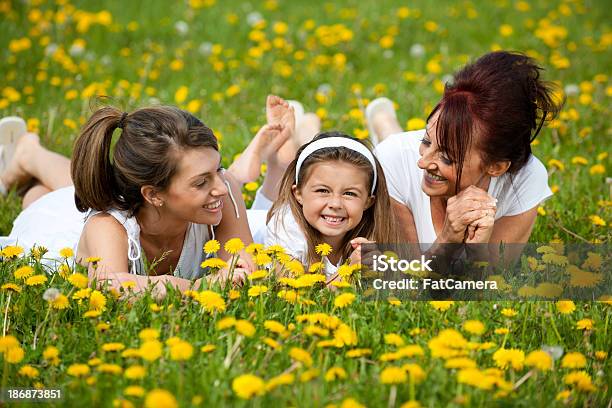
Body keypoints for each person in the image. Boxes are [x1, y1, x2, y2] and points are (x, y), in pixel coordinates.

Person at [0, 97, 295, 296]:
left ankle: (30, 167)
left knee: (71, 190)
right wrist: (191, 288)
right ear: (153, 194)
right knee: (51, 200)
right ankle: (31, 157)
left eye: (218, 168)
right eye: (201, 181)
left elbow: (238, 266)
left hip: (113, 206)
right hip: (59, 229)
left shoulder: (223, 188)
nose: (220, 186)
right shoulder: (107, 226)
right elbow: (109, 287)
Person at [370, 51, 562, 262]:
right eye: (425, 141)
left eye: (447, 158)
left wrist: (478, 251)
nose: (422, 162)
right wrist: (447, 240)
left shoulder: (525, 179)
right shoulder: (392, 161)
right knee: (393, 143)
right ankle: (383, 121)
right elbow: (409, 280)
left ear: (496, 167)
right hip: (394, 153)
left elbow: (492, 284)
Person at [265, 131, 399, 278]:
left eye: (349, 193)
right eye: (323, 190)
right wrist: (349, 271)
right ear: (298, 193)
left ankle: (384, 123)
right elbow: (292, 294)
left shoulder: (376, 228)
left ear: (368, 201)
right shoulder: (286, 227)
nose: (335, 204)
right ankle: (301, 131)